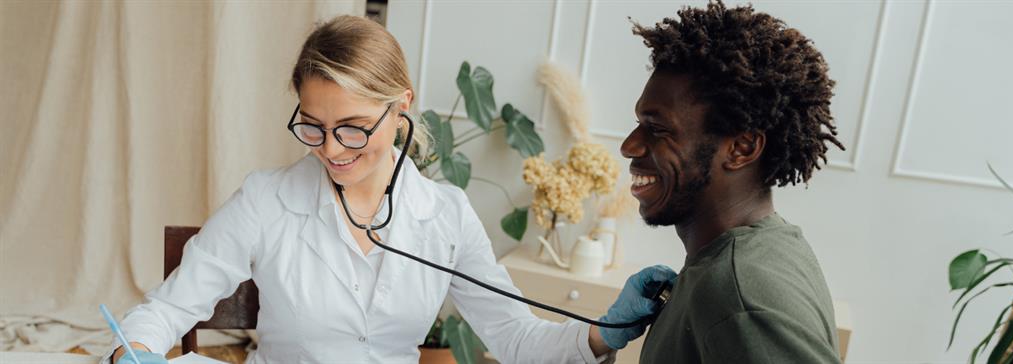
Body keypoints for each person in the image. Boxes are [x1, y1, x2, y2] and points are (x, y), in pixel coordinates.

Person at [107, 15, 674, 364]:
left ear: (400, 106)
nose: (331, 148)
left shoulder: (445, 215)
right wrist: (131, 352)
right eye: (313, 126)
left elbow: (516, 338)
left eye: (353, 127)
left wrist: (603, 335)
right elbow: (166, 308)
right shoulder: (265, 200)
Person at [619, 1, 845, 363]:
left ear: (741, 148)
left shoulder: (740, 299)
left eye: (657, 129)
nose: (629, 145)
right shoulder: (766, 246)